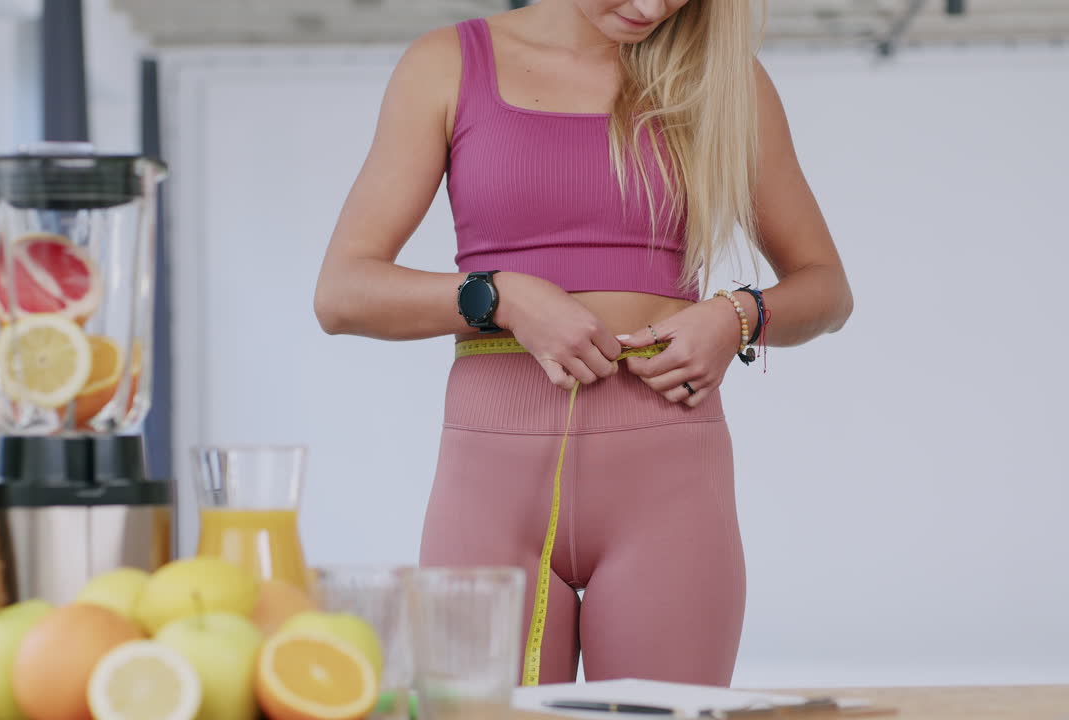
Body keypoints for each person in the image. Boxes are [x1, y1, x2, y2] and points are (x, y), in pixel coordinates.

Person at [313, 0, 853, 686]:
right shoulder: (446, 66)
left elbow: (827, 289)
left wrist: (737, 315)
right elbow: (342, 293)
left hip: (669, 484)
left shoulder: (721, 80)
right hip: (488, 488)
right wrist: (500, 296)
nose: (653, 7)